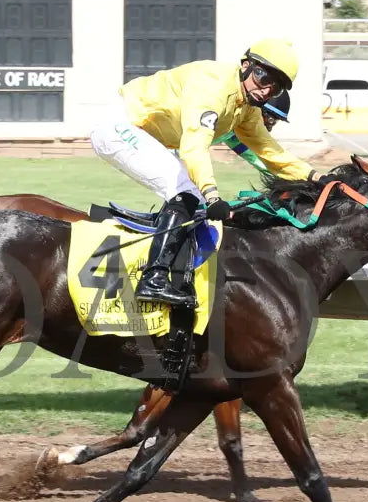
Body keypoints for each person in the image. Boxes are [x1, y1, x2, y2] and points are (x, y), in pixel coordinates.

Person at [89, 39, 327, 306]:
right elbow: (194, 147)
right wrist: (213, 195)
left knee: (194, 201)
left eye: (276, 87)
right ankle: (152, 279)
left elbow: (270, 152)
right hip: (119, 125)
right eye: (263, 77)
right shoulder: (213, 85)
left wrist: (317, 177)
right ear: (246, 66)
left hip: (144, 134)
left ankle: (171, 268)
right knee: (187, 194)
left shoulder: (247, 108)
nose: (266, 89)